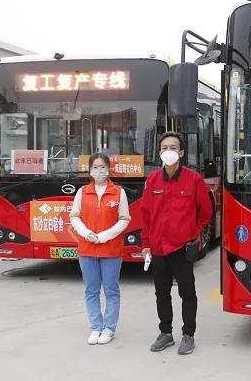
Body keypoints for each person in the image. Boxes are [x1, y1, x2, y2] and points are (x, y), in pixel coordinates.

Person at [141, 131, 212, 355]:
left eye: (173, 147)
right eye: (164, 148)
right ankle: (166, 333)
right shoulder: (152, 180)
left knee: (187, 293)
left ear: (181, 153)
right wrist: (146, 244)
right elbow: (146, 215)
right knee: (161, 292)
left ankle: (188, 334)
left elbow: (206, 211)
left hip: (182, 247)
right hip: (158, 247)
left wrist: (193, 232)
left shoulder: (193, 179)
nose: (168, 151)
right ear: (159, 152)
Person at [70, 153, 131, 345]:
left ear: (109, 169)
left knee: (111, 290)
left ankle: (109, 328)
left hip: (111, 250)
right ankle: (96, 327)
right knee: (91, 290)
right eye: (95, 167)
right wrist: (86, 233)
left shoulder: (118, 192)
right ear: (89, 170)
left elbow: (124, 219)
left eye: (102, 167)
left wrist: (104, 236)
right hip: (87, 249)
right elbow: (74, 217)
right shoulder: (82, 192)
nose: (99, 171)